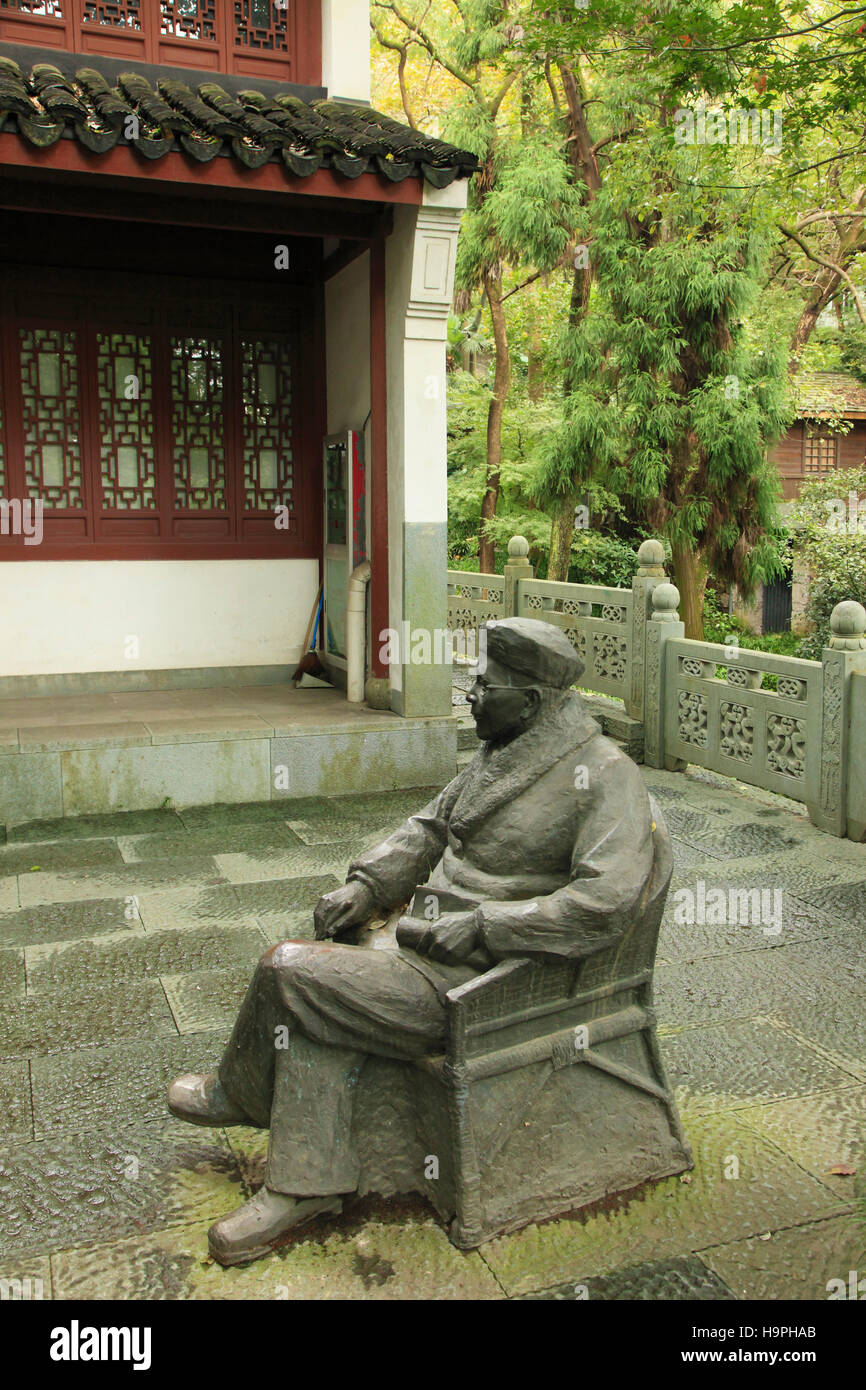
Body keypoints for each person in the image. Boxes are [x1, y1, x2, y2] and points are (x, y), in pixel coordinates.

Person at [168, 617, 666, 1266]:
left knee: (286, 972)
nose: (470, 697)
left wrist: (489, 925)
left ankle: (241, 1092)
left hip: (483, 982)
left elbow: (605, 903)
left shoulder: (604, 775)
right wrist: (370, 886)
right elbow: (428, 828)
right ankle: (305, 1188)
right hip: (419, 941)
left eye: (484, 688)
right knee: (318, 1012)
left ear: (534, 702)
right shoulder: (504, 751)